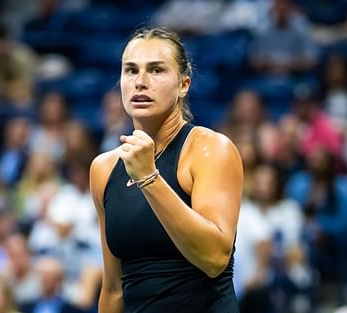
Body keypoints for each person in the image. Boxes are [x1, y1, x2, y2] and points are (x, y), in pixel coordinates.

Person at [89, 27, 243, 312]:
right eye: (130, 71)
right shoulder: (103, 168)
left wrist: (149, 178)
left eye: (156, 70)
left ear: (184, 83)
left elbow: (214, 257)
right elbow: (113, 288)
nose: (140, 82)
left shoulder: (210, 150)